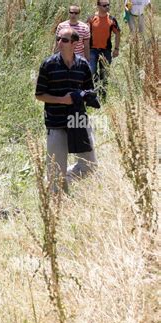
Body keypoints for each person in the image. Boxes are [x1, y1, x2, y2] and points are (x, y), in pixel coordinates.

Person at [35, 27, 98, 193]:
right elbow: (40, 95)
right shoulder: (48, 65)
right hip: (56, 122)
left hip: (78, 120)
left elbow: (89, 90)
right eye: (58, 39)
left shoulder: (83, 65)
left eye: (64, 40)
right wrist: (62, 100)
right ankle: (56, 191)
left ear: (74, 43)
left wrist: (82, 96)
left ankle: (64, 178)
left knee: (90, 166)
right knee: (55, 173)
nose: (59, 43)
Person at [87, 1, 121, 99]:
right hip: (92, 50)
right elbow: (85, 33)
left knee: (104, 73)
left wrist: (116, 49)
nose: (107, 7)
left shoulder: (111, 19)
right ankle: (96, 86)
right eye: (104, 5)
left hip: (106, 50)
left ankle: (103, 96)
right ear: (98, 6)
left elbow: (117, 33)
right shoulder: (91, 18)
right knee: (91, 71)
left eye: (108, 5)